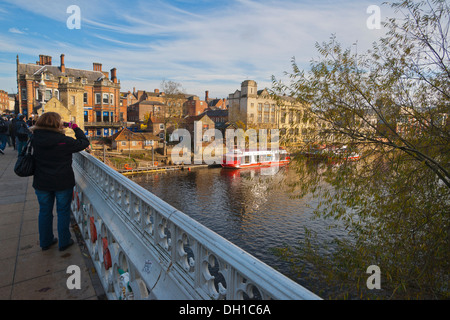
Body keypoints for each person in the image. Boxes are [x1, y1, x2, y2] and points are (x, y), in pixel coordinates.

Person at [30, 112, 90, 251]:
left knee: (44, 211)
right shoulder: (63, 141)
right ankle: (64, 241)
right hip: (62, 181)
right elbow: (84, 142)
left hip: (41, 182)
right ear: (58, 124)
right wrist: (75, 127)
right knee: (62, 211)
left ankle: (45, 242)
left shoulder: (34, 138)